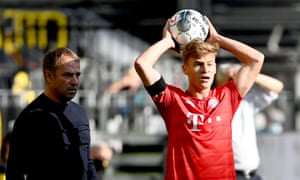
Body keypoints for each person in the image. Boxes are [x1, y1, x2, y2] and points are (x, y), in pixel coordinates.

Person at [134, 14, 264, 179]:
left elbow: (257, 60)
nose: (205, 70)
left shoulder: (228, 96)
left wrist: (218, 39)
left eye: (210, 64)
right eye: (198, 64)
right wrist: (167, 42)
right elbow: (142, 64)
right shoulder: (172, 100)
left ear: (215, 68)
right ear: (185, 69)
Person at [6, 47, 98, 180]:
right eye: (67, 75)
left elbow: (88, 163)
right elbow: (14, 172)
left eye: (77, 75)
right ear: (49, 76)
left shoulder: (80, 113)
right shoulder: (31, 118)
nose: (75, 81)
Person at [216, 63, 284, 180]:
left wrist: (251, 74)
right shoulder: (213, 103)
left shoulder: (246, 101)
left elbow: (277, 87)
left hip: (252, 174)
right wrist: (230, 71)